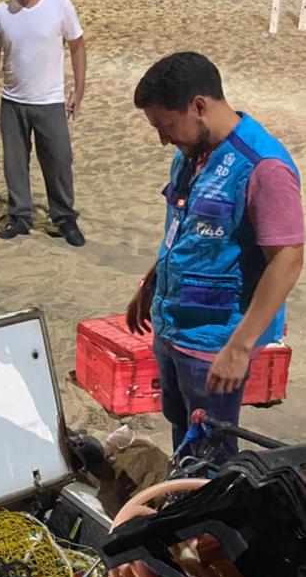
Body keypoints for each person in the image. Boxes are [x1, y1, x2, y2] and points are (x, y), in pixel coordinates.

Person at [125, 51, 303, 459]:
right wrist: (150, 284)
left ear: (199, 106)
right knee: (182, 431)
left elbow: (288, 259)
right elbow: (185, 231)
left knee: (211, 451)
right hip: (172, 326)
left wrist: (239, 348)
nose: (163, 139)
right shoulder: (188, 156)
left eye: (167, 126)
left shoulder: (264, 167)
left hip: (215, 343)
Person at [0, 0, 87, 245]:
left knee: (59, 161)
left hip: (50, 102)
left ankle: (64, 219)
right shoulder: (0, 13)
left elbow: (77, 46)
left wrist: (79, 89)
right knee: (14, 164)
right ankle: (20, 217)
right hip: (12, 103)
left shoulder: (60, 6)